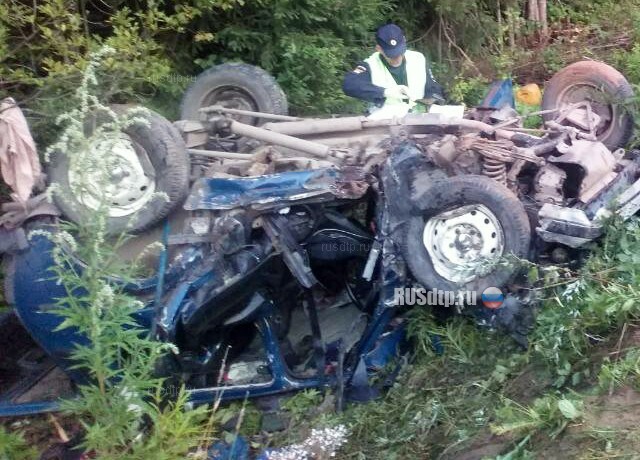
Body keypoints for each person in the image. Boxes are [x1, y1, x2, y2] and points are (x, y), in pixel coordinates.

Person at [342, 23, 444, 114]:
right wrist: (386, 92)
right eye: (391, 55)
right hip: (384, 125)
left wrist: (432, 102)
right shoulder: (370, 65)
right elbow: (349, 85)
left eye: (399, 52)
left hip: (417, 122)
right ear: (379, 49)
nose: (397, 57)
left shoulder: (418, 58)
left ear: (404, 41)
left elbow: (433, 88)